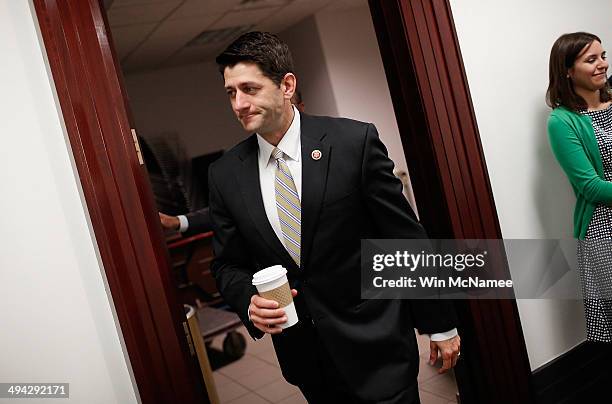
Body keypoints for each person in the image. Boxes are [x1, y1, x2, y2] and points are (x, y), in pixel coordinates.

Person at [208, 31, 460, 403]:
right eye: (231, 93)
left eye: (249, 88)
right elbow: (228, 264)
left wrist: (440, 324)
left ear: (287, 85)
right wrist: (247, 299)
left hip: (377, 344)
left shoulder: (352, 143)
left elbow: (404, 237)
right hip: (307, 359)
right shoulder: (225, 174)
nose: (239, 103)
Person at [547, 32, 612, 342]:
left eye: (602, 56)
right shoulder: (562, 121)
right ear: (568, 71)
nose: (602, 64)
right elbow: (592, 188)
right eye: (591, 60)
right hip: (604, 228)